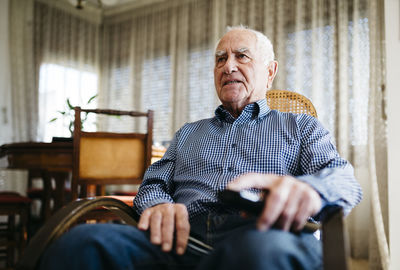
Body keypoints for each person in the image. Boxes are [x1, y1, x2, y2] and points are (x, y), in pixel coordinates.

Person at [39, 26, 362, 270]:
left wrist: (309, 190)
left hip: (260, 235)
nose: (228, 66)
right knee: (85, 242)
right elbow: (153, 183)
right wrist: (158, 204)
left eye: (242, 56)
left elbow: (344, 180)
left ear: (270, 70)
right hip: (179, 241)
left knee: (259, 253)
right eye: (220, 59)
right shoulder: (188, 133)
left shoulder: (301, 126)